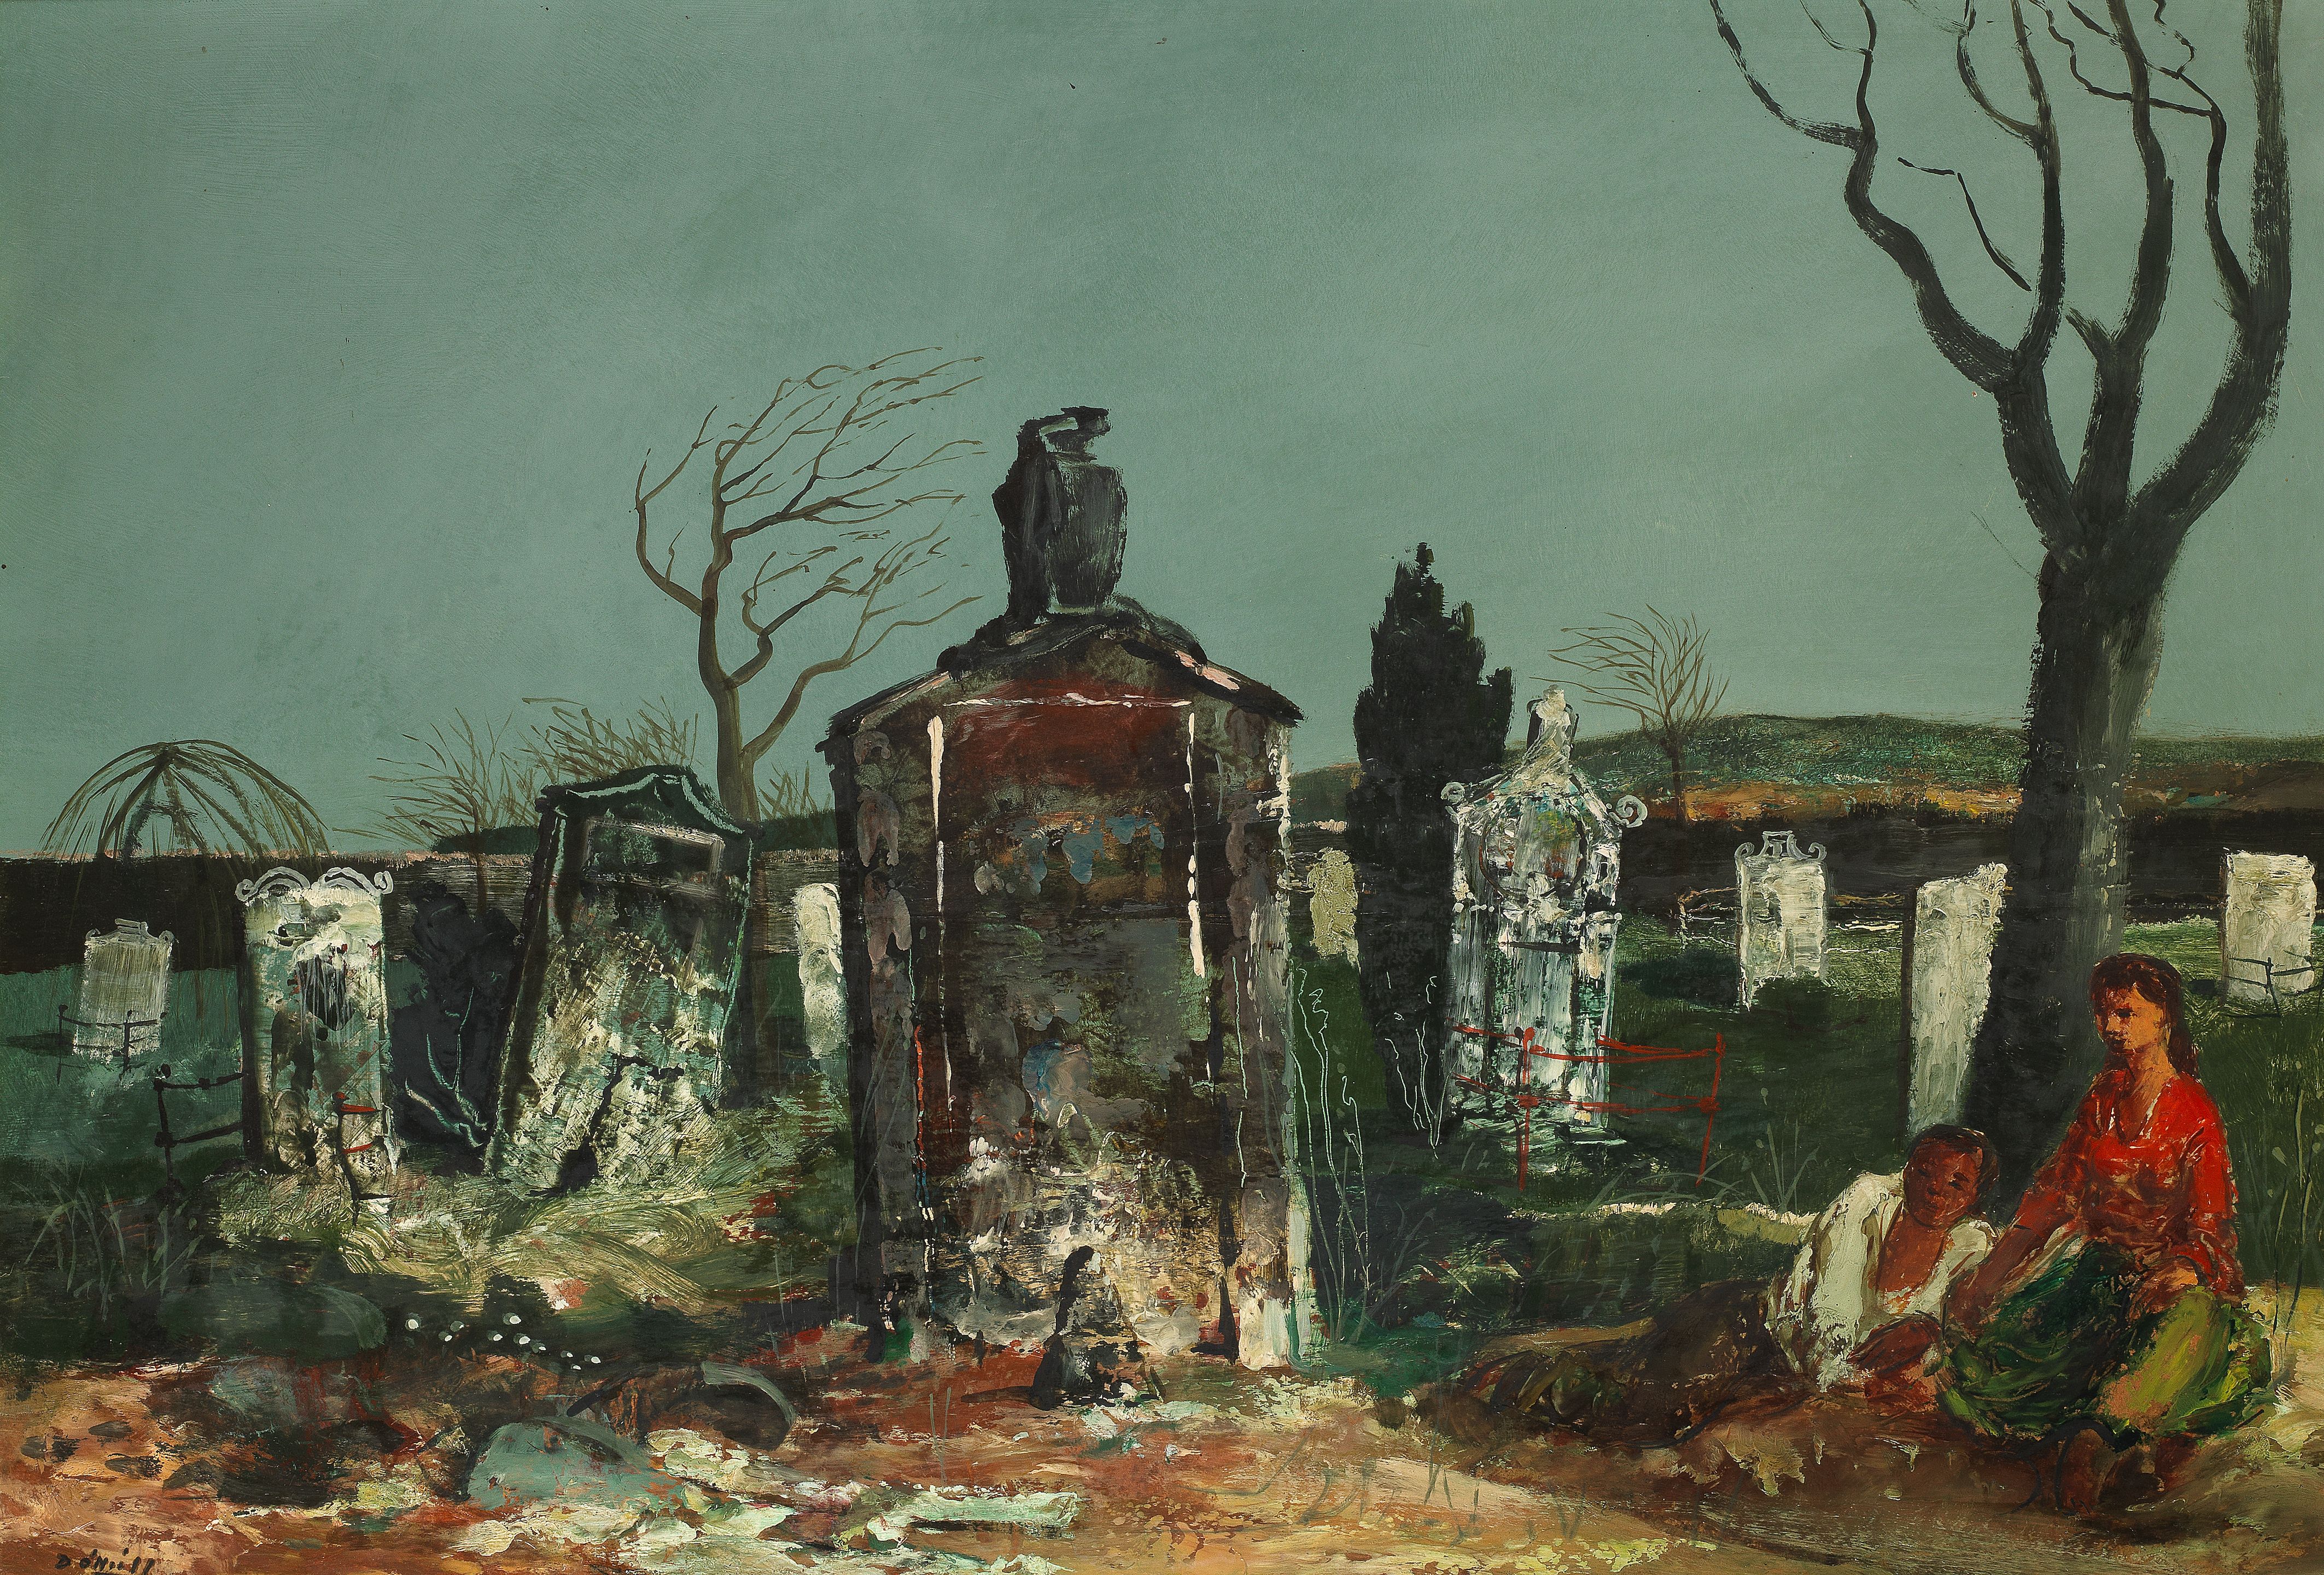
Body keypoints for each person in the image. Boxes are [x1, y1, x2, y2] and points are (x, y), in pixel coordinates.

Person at [1936, 953, 2272, 1512]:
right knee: (1996, 1362)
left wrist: (2184, 1267)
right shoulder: (2103, 1095)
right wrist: (1992, 1273)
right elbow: (2056, 1191)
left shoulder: (2193, 1112)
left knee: (2184, 1342)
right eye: (2102, 1013)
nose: (2110, 1027)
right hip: (2096, 1272)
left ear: (2164, 1017)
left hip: (2168, 1282)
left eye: (2125, 1013)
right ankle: (2069, 1435)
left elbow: (2212, 1227)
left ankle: (2099, 1438)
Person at [1466, 1125, 1997, 1446]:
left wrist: (1923, 1335)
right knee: (1647, 1417)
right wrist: (1842, 1378)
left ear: (1974, 1196)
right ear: (1905, 1171)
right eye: (1924, 1172)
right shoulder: (1865, 1202)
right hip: (1753, 1326)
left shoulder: (1972, 1248)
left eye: (1956, 1182)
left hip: (1808, 1374)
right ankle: (1516, 1384)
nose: (1935, 1191)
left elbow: (1947, 1328)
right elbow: (1828, 1310)